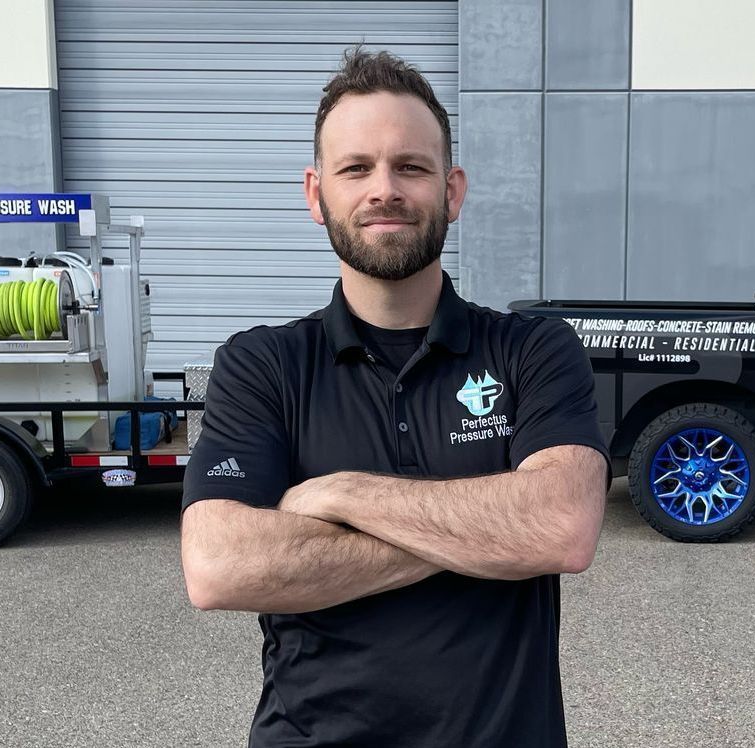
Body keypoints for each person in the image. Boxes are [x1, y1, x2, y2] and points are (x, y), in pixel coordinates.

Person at [181, 48, 609, 748]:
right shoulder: (263, 365)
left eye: (411, 166)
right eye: (356, 168)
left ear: (452, 191)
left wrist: (340, 493)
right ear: (317, 194)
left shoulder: (532, 349)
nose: (384, 189)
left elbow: (561, 524)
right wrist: (491, 529)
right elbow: (220, 565)